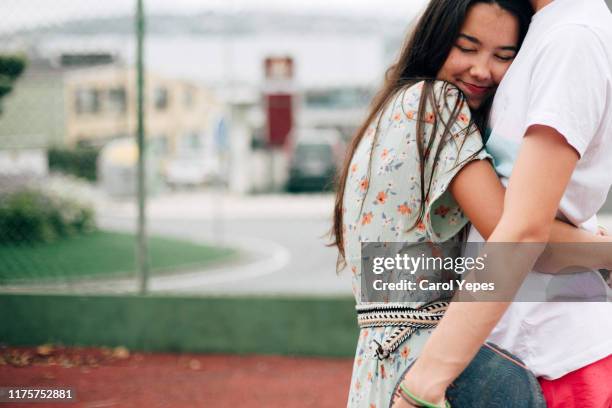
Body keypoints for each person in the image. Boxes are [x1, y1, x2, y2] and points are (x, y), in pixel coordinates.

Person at [331, 0, 612, 407]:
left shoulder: (396, 108)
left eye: (503, 56)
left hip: (379, 357)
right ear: (437, 40)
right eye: (466, 48)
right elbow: (516, 233)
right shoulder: (438, 105)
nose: (482, 70)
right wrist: (601, 251)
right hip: (424, 359)